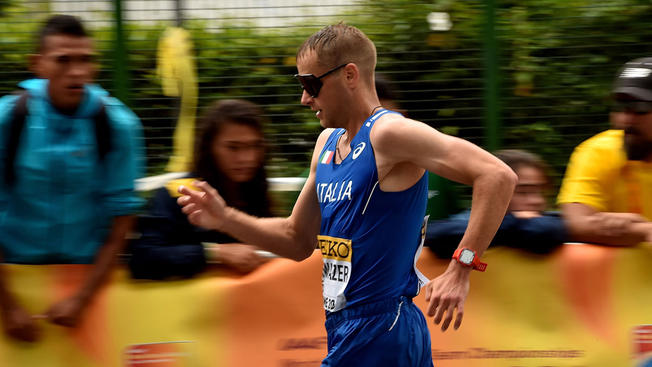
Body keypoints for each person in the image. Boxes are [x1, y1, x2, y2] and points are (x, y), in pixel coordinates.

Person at [177, 23, 516, 366]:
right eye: (301, 85)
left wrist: (461, 268)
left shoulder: (389, 133)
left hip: (384, 328)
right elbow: (297, 239)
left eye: (311, 84)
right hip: (345, 327)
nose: (304, 98)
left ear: (350, 75)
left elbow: (497, 175)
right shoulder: (326, 144)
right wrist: (224, 217)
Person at [0, 15, 143, 342]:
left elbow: (122, 222)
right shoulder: (8, 120)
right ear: (37, 64)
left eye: (85, 60)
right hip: (12, 280)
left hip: (86, 285)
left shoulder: (118, 125)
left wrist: (83, 299)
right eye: (63, 60)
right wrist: (7, 306)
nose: (77, 72)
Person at [128, 99, 271, 279]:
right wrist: (215, 253)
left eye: (254, 146)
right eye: (233, 148)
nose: (246, 158)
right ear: (209, 147)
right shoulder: (178, 193)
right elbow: (143, 257)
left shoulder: (255, 191)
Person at [557, 57, 652, 246]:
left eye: (640, 108)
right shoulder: (596, 151)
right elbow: (576, 223)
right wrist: (644, 229)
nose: (626, 119)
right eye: (620, 107)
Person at [426, 149, 567, 258]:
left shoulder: (551, 221)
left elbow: (544, 231)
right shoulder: (465, 221)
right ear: (492, 192)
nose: (537, 201)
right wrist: (513, 222)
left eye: (540, 192)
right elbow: (437, 236)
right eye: (523, 192)